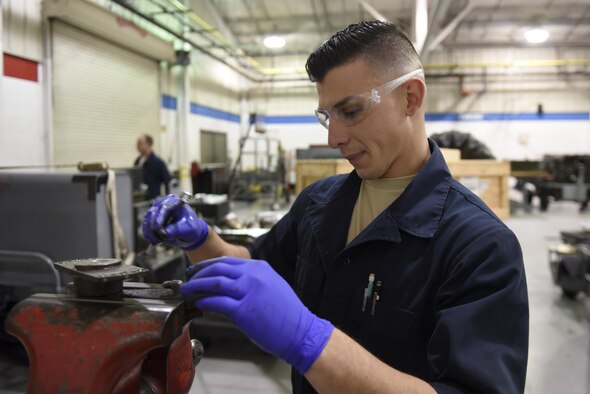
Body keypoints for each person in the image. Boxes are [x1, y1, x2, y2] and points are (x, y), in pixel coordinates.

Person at [143, 21, 528, 394]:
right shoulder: (319, 203)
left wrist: (310, 341)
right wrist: (199, 238)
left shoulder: (480, 247)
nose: (333, 138)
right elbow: (252, 261)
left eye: (351, 111)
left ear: (410, 97)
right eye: (327, 116)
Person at [134, 134, 172, 200]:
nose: (137, 146)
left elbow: (168, 181)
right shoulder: (137, 161)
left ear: (148, 144)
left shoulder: (158, 162)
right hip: (140, 200)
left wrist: (167, 200)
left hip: (153, 201)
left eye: (140, 143)